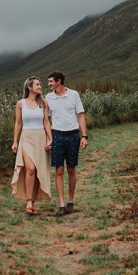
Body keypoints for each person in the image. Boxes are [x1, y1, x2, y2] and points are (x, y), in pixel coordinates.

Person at [46, 70, 87, 217]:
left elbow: (80, 115)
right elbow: (47, 120)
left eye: (51, 81)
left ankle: (70, 201)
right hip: (57, 136)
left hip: (73, 136)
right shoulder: (48, 97)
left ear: (59, 81)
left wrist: (84, 136)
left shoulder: (74, 95)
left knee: (71, 170)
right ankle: (61, 205)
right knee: (58, 171)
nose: (48, 84)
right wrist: (48, 138)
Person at [11, 76, 53, 215]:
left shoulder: (43, 103)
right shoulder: (20, 103)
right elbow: (18, 123)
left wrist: (50, 138)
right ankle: (29, 201)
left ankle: (32, 202)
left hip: (40, 137)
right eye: (37, 84)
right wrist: (15, 141)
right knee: (30, 168)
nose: (40, 86)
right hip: (27, 138)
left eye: (40, 84)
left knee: (37, 171)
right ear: (30, 87)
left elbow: (46, 122)